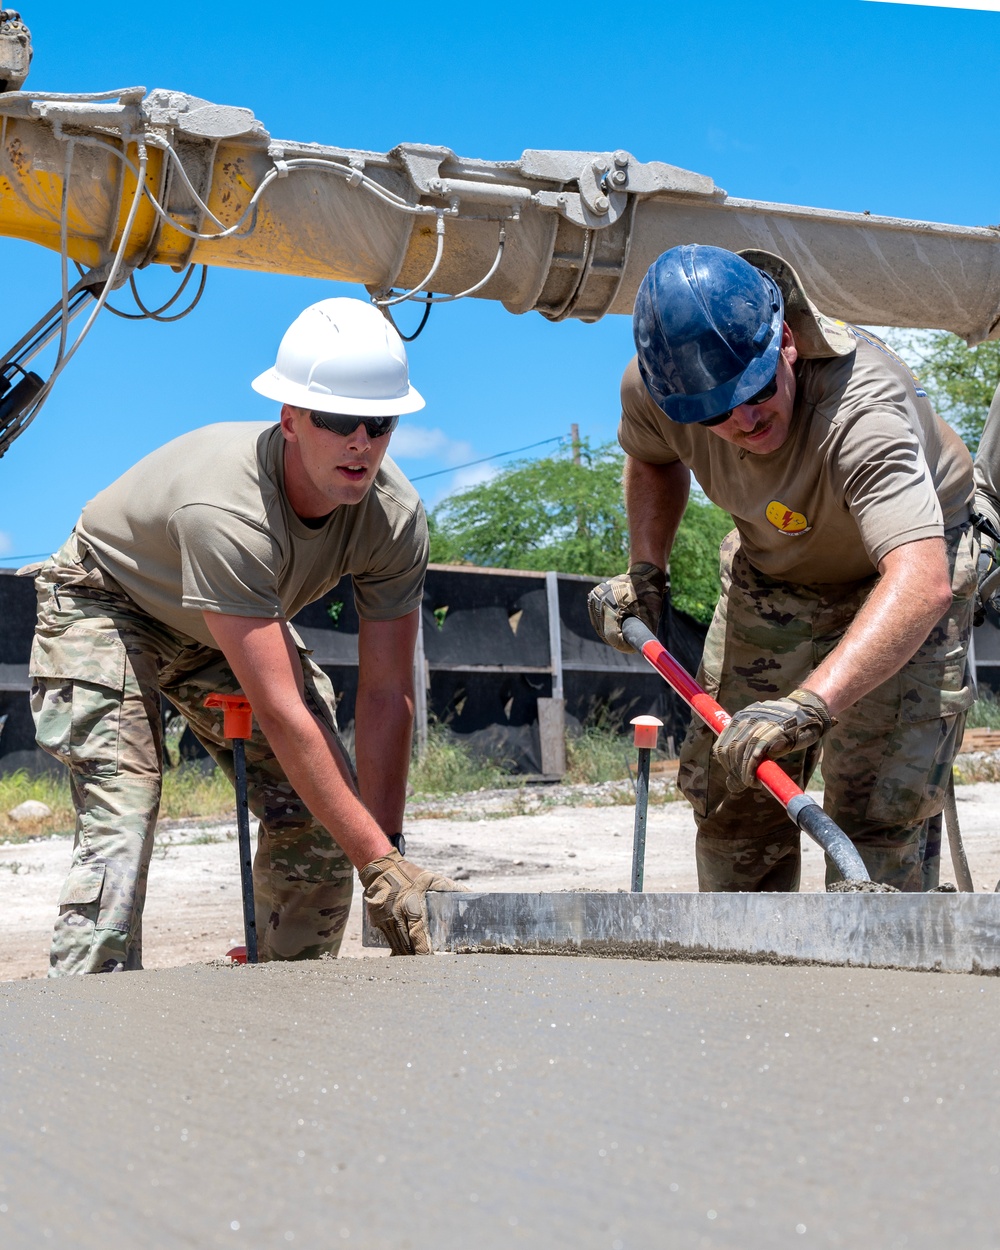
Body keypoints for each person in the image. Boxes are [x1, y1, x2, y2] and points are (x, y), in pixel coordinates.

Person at [26, 297, 458, 974]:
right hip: (108, 600)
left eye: (380, 423)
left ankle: (287, 1006)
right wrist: (380, 862)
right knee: (124, 817)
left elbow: (387, 693)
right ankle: (89, 1017)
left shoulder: (393, 520)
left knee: (324, 812)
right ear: (290, 418)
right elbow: (285, 715)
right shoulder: (226, 509)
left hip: (219, 622)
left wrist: (385, 851)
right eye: (339, 420)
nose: (362, 443)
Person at [589, 245, 977, 893]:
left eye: (758, 390)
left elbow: (920, 578)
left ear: (787, 342)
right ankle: (750, 985)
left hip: (904, 575)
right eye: (714, 412)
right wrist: (646, 568)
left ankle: (878, 982)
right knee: (735, 790)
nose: (743, 420)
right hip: (775, 568)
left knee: (876, 814)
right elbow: (654, 458)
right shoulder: (657, 390)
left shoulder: (862, 409)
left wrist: (809, 704)